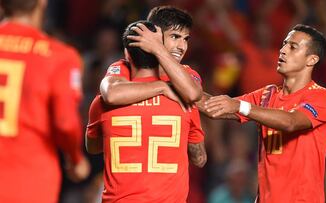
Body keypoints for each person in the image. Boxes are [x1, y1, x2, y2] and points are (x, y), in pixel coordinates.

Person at [203, 24, 326, 202]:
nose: (282, 50)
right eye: (283, 44)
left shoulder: (320, 96)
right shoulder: (268, 94)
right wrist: (174, 84)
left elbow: (290, 122)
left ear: (311, 60)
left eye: (292, 47)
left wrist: (240, 106)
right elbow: (214, 107)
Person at [86, 20, 205, 202]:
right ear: (161, 51)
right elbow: (199, 158)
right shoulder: (185, 102)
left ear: (127, 54)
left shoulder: (100, 104)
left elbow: (93, 147)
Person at [0, 0, 90, 202]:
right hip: (28, 181)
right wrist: (75, 159)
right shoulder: (60, 57)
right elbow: (65, 122)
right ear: (42, 3)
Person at [99, 5, 206, 167]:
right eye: (175, 37)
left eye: (185, 39)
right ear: (153, 35)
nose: (182, 46)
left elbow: (193, 93)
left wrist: (157, 48)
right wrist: (163, 87)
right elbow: (111, 94)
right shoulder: (126, 66)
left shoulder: (188, 73)